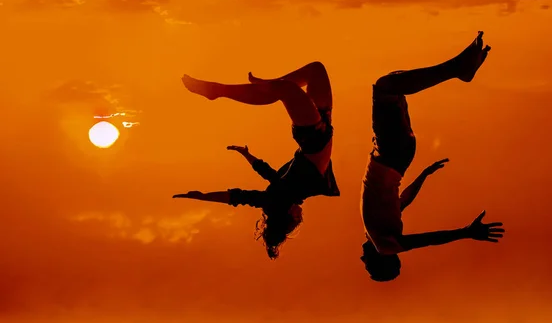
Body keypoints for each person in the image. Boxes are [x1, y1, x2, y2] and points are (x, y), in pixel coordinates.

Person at [361, 31, 505, 282]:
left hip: (396, 154)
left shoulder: (379, 231)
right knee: (385, 87)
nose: (362, 259)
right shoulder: (386, 246)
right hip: (391, 153)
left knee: (394, 83)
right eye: (367, 265)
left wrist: (423, 176)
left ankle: (459, 68)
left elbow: (402, 201)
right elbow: (427, 240)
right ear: (381, 262)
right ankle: (458, 69)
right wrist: (465, 232)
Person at [173, 62, 340, 259]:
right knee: (315, 71)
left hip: (312, 135)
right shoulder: (294, 192)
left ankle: (219, 90)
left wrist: (202, 196)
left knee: (286, 89)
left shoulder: (276, 198)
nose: (299, 216)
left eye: (295, 219)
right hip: (324, 123)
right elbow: (269, 174)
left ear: (285, 215)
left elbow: (238, 197)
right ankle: (263, 88)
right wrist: (248, 156)